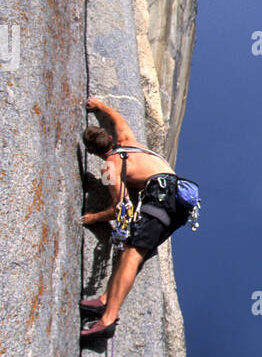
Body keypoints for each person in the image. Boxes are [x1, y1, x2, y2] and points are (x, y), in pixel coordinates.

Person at [79, 97, 190, 342]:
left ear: (91, 152)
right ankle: (106, 299)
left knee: (133, 252)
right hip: (177, 204)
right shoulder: (129, 142)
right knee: (132, 247)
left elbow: (121, 208)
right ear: (110, 137)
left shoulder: (110, 167)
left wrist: (93, 218)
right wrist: (101, 106)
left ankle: (107, 320)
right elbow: (118, 119)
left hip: (161, 197)